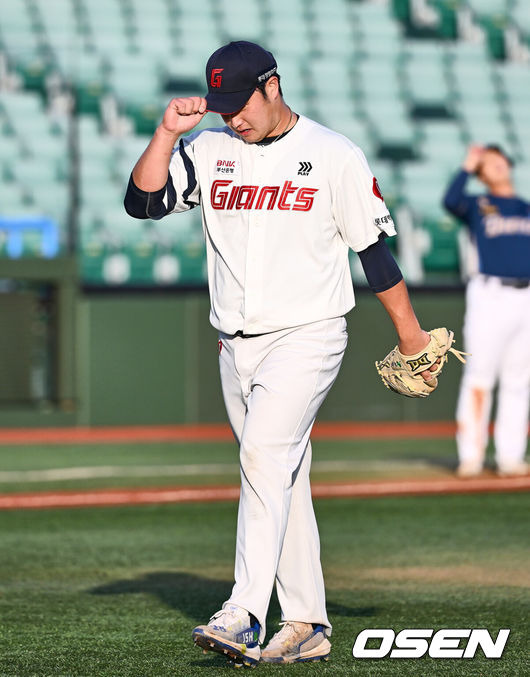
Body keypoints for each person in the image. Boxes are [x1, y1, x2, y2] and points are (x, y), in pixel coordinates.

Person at [125, 40, 438, 666]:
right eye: (221, 106)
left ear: (272, 85)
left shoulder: (331, 154)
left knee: (264, 457)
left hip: (308, 335)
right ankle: (307, 622)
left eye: (240, 102)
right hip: (234, 345)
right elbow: (144, 202)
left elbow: (372, 252)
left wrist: (412, 334)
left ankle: (244, 610)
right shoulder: (210, 148)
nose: (231, 117)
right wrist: (165, 133)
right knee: (283, 479)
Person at [443, 145, 530, 478]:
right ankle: (472, 455)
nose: (495, 166)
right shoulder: (478, 205)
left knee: (518, 380)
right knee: (479, 376)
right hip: (490, 294)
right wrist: (467, 166)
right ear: (480, 175)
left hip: (525, 296)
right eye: (487, 164)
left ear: (508, 163)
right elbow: (451, 201)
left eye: (498, 160)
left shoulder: (524, 208)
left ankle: (510, 457)